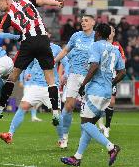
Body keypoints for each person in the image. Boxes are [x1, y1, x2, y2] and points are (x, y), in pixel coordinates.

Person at [0, 0, 64, 126]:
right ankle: (55, 113)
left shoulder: (8, 15)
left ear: (6, 1)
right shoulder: (26, 1)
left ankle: (0, 109)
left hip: (28, 42)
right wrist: (57, 3)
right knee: (50, 78)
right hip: (43, 40)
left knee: (12, 77)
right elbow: (42, 1)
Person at [60, 23, 126, 166]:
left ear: (98, 33)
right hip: (107, 93)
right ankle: (77, 157)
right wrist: (112, 83)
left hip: (95, 91)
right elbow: (123, 72)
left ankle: (111, 147)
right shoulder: (115, 49)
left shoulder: (95, 46)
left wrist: (83, 85)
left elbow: (94, 66)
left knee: (85, 123)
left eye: (95, 33)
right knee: (89, 125)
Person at [0, 41, 69, 148]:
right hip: (35, 85)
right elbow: (29, 65)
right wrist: (27, 73)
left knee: (56, 114)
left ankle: (62, 140)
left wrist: (66, 74)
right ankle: (10, 134)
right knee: (23, 106)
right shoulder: (35, 47)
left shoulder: (56, 49)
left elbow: (66, 63)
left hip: (50, 86)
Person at [54, 15, 95, 146]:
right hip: (74, 75)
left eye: (86, 20)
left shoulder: (97, 38)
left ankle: (84, 140)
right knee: (69, 106)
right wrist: (53, 61)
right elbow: (65, 50)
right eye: (82, 20)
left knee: (87, 110)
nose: (83, 22)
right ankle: (64, 136)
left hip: (89, 77)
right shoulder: (76, 36)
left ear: (93, 23)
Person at [98, 26, 126, 138]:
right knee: (99, 100)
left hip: (112, 76)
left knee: (112, 101)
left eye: (113, 31)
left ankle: (107, 127)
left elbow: (123, 59)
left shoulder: (117, 45)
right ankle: (99, 121)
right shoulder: (99, 44)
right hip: (99, 75)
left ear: (114, 34)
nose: (111, 32)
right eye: (109, 30)